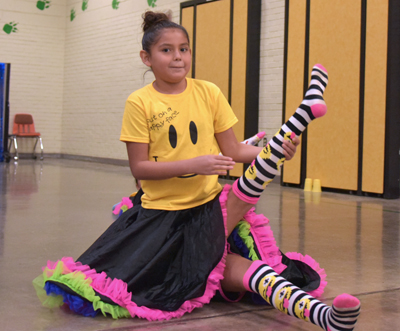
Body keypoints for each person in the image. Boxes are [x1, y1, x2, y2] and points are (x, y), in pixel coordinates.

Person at [33, 11, 360, 330]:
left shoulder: (208, 92)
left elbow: (234, 151)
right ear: (146, 58)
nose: (178, 58)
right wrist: (199, 163)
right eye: (167, 50)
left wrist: (270, 151)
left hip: (208, 209)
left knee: (249, 219)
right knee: (232, 269)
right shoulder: (140, 102)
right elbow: (140, 168)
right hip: (163, 220)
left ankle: (326, 318)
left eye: (184, 49)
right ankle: (300, 117)